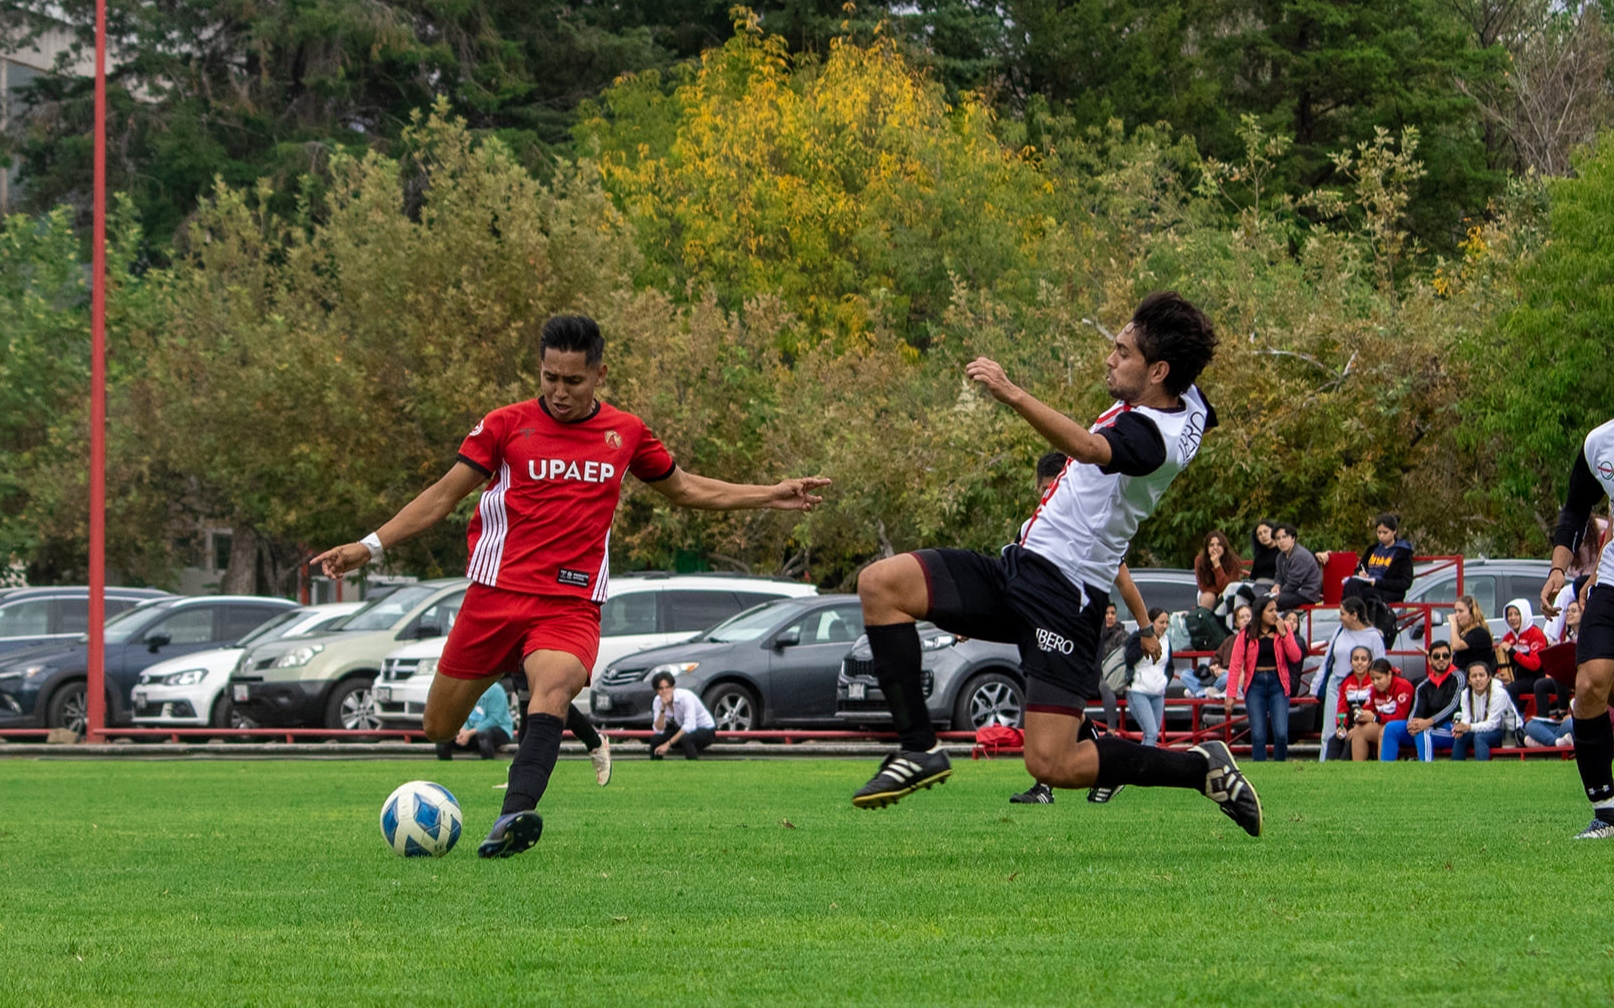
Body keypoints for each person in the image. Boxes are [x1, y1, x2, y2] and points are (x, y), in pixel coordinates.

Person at [312, 315, 828, 858]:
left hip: (570, 602)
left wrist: (770, 494)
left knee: (553, 686)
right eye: (549, 377)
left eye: (573, 381)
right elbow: (442, 497)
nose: (559, 392)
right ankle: (570, 719)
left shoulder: (625, 433)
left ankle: (512, 817)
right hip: (494, 596)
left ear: (599, 374)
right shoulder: (505, 425)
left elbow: (685, 488)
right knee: (439, 727)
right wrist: (368, 547)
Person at [851, 291, 1263, 837]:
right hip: (1019, 567)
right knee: (880, 584)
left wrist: (1011, 392)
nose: (1110, 360)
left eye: (1122, 352)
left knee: (1052, 766)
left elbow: (1092, 449)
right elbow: (1193, 389)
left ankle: (1199, 766)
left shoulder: (1152, 439)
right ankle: (919, 748)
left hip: (1066, 598)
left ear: (1158, 370)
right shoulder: (1184, 399)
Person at [1539, 416, 1614, 839]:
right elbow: (1577, 508)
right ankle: (1606, 814)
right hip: (1612, 582)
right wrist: (1559, 570)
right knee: (1589, 686)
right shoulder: (1598, 443)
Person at [1010, 451, 1072, 805]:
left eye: (1059, 487)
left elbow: (1120, 576)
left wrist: (1144, 628)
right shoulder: (1028, 529)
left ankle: (1044, 788)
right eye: (1048, 488)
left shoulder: (1084, 524)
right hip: (1039, 626)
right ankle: (1114, 768)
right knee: (1054, 712)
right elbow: (1015, 580)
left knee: (1043, 706)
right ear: (1038, 488)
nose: (1052, 494)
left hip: (1069, 628)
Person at [1225, 596, 1302, 762]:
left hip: (1278, 683)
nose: (1275, 614)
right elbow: (1235, 664)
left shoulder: (1283, 628)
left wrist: (1284, 634)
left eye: (1276, 610)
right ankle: (1260, 768)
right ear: (1260, 613)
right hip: (1255, 684)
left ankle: (1280, 767)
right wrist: (1231, 694)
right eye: (1270, 610)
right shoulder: (1246, 633)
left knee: (1281, 733)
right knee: (1258, 734)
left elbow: (1296, 657)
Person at [1312, 597, 1386, 761]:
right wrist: (1317, 683)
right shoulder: (1339, 631)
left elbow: (1381, 663)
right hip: (1337, 683)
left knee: (1357, 727)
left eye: (1343, 613)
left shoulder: (1373, 636)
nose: (1340, 617)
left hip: (1364, 686)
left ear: (1354, 615)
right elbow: (1328, 658)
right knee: (1331, 730)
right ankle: (1324, 765)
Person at [1380, 643, 1465, 761]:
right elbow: (1417, 709)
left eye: (1445, 656)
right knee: (1391, 728)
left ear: (1451, 659)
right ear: (1429, 660)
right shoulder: (1423, 684)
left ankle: (1425, 774)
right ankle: (1386, 774)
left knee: (1424, 731)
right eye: (1436, 656)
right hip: (1427, 727)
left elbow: (1453, 706)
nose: (1441, 659)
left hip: (1452, 729)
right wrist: (1412, 724)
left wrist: (1428, 722)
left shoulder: (1459, 677)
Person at [1321, 513, 1416, 605]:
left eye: (1385, 532)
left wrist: (1378, 582)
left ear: (1394, 531)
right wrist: (1360, 573)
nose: (1381, 536)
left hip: (1387, 591)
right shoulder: (1373, 549)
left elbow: (1405, 582)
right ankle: (1349, 615)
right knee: (1351, 584)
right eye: (1379, 532)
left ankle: (1354, 616)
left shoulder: (1402, 552)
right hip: (1367, 585)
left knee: (1364, 593)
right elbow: (1360, 568)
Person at [1499, 597, 1564, 718]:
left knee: (1512, 688)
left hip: (1535, 677)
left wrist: (1512, 651)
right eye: (1509, 615)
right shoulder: (1508, 638)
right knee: (1496, 685)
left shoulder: (1536, 634)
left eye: (1517, 614)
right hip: (1516, 677)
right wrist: (1500, 675)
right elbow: (1500, 662)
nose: (1512, 618)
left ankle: (1517, 721)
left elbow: (1534, 665)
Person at [1124, 609, 1174, 748]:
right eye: (1161, 622)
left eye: (1167, 623)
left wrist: (1164, 682)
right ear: (1151, 622)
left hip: (1158, 693)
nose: (1164, 626)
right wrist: (1144, 645)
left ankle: (1143, 764)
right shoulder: (1137, 637)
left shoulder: (1166, 640)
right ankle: (1147, 766)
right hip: (1138, 691)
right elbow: (1129, 659)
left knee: (1152, 734)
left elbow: (1170, 666)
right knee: (1151, 732)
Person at [1451, 661, 1519, 761]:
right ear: (1469, 681)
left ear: (1489, 678)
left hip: (1507, 733)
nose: (1478, 679)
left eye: (1481, 675)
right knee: (1461, 737)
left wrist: (1468, 727)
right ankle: (1454, 773)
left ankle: (1482, 773)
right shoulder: (1465, 694)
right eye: (1474, 676)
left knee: (1480, 737)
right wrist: (1459, 728)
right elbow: (1466, 719)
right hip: (1481, 728)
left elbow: (1493, 724)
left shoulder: (1499, 693)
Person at [1350, 659, 1413, 761]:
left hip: (1406, 728)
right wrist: (1360, 715)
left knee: (1386, 731)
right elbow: (1368, 708)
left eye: (1379, 678)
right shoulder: (1374, 689)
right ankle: (1358, 771)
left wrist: (1376, 718)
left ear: (1389, 674)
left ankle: (1383, 771)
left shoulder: (1403, 686)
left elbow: (1401, 716)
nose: (1375, 682)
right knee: (1358, 730)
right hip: (1384, 723)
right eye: (1372, 679)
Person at [437, 681, 515, 760]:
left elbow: (494, 719)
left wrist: (469, 733)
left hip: (499, 729)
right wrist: (463, 730)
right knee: (443, 736)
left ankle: (488, 767)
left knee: (483, 735)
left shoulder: (496, 690)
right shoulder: (465, 690)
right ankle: (446, 769)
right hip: (469, 731)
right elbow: (460, 713)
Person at [648, 671, 718, 759]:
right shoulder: (657, 701)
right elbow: (658, 730)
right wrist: (663, 708)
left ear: (673, 687)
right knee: (656, 739)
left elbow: (689, 726)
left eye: (668, 687)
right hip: (683, 729)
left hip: (706, 730)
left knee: (686, 738)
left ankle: (692, 768)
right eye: (661, 689)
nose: (665, 691)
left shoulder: (686, 697)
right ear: (656, 690)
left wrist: (667, 744)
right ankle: (656, 770)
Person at [1322, 646, 1375, 761]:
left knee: (1351, 741)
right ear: (1350, 662)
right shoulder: (1346, 682)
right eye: (1356, 659)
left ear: (1369, 662)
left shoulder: (1374, 681)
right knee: (1333, 741)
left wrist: (1357, 728)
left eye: (1363, 659)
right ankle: (1327, 772)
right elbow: (1342, 709)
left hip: (1368, 725)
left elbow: (1373, 708)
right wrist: (1341, 727)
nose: (1359, 663)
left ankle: (1343, 771)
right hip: (1349, 725)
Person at [1269, 524, 1322, 611]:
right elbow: (1278, 575)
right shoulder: (1280, 556)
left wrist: (1278, 593)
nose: (1281, 541)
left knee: (1272, 602)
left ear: (1293, 538)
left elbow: (1294, 583)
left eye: (1284, 537)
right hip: (1292, 592)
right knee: (1262, 595)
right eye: (1278, 538)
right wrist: (1276, 585)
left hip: (1306, 594)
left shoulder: (1299, 555)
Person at [1194, 530, 1243, 608]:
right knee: (1208, 597)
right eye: (1212, 545)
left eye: (1219, 544)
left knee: (1224, 597)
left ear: (1224, 547)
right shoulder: (1200, 560)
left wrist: (1217, 566)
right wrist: (1219, 591)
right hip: (1209, 593)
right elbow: (1203, 586)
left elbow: (1228, 587)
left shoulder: (1233, 561)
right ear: (1207, 548)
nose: (1215, 548)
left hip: (1230, 592)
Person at [1448, 595, 1495, 674]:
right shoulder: (1465, 633)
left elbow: (1456, 646)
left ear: (1472, 613)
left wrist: (1453, 625)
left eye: (1460, 611)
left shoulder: (1479, 632)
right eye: (1455, 611)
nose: (1456, 615)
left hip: (1474, 676)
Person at [1249, 521, 1281, 591]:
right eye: (1259, 534)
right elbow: (1253, 577)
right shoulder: (1259, 555)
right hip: (1256, 585)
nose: (1263, 535)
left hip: (1273, 586)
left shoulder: (1282, 551)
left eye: (1266, 531)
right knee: (1233, 588)